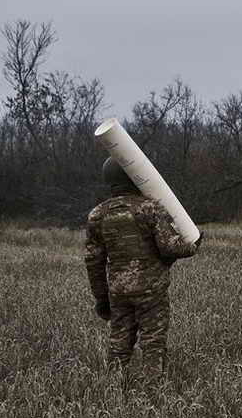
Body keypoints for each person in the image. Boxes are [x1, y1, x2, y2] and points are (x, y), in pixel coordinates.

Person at [84, 157, 201, 384]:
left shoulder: (97, 214)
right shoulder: (150, 208)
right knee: (153, 342)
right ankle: (151, 394)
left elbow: (93, 261)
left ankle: (112, 392)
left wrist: (101, 298)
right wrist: (193, 245)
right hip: (151, 291)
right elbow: (169, 246)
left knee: (119, 344)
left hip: (118, 291)